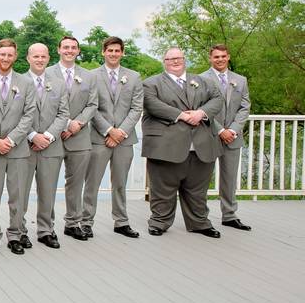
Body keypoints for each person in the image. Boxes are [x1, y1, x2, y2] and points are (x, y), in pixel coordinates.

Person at [142, 47, 223, 237]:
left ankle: (199, 223)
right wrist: (182, 116)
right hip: (165, 145)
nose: (175, 62)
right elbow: (152, 104)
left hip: (201, 145)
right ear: (164, 62)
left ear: (184, 60)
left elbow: (218, 99)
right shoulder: (150, 83)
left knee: (197, 189)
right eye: (170, 59)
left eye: (178, 58)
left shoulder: (203, 81)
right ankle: (159, 222)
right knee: (162, 188)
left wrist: (200, 113)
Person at [0, 38, 37, 255]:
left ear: (15, 56)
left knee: (18, 194)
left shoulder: (26, 83)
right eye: (2, 54)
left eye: (10, 54)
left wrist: (11, 140)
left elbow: (29, 114)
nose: (5, 58)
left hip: (18, 149)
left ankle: (15, 234)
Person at [83, 36, 144, 238]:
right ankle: (86, 221)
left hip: (124, 140)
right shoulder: (91, 76)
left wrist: (120, 133)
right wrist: (109, 130)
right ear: (103, 52)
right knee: (92, 182)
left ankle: (121, 222)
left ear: (122, 53)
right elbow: (91, 107)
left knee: (120, 182)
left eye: (117, 51)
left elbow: (136, 108)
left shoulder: (134, 77)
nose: (114, 54)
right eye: (110, 50)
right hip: (99, 138)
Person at [44, 35, 98, 241]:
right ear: (58, 50)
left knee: (75, 183)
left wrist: (78, 124)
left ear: (78, 51)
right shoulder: (46, 73)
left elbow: (93, 104)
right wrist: (64, 124)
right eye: (65, 47)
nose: (69, 50)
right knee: (47, 183)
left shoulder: (89, 76)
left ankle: (73, 223)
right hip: (52, 137)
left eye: (73, 47)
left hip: (80, 136)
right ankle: (47, 225)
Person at [22, 43, 69, 249]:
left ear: (49, 58)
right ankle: (19, 230)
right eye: (35, 56)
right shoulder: (19, 82)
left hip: (51, 146)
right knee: (20, 192)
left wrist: (47, 136)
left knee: (48, 191)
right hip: (24, 146)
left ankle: (46, 230)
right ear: (28, 58)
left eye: (43, 56)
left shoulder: (58, 84)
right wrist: (33, 135)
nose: (39, 60)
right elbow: (16, 114)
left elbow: (63, 114)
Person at [201, 44, 252, 231]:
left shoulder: (240, 80)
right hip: (209, 134)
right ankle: (200, 216)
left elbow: (244, 107)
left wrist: (233, 130)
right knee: (202, 178)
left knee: (229, 178)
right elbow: (202, 108)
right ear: (210, 58)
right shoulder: (201, 79)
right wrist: (221, 130)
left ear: (228, 57)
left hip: (233, 136)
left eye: (223, 56)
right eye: (216, 57)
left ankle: (229, 215)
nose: (220, 59)